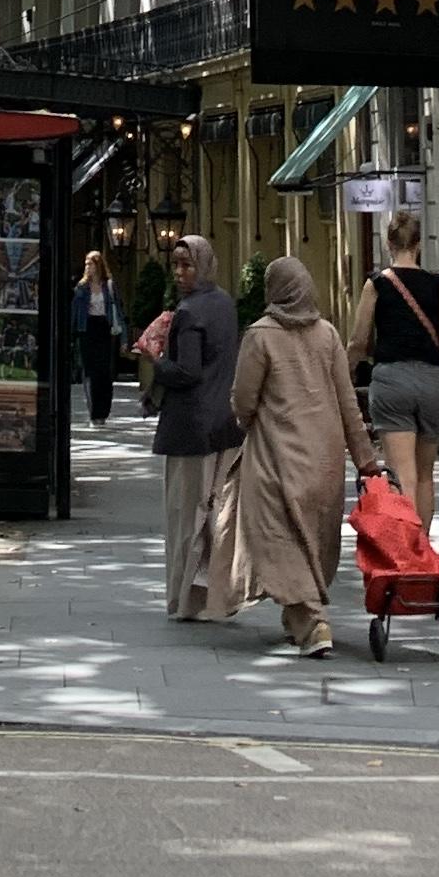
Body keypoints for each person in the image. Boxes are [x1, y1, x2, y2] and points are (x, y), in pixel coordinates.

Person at [228, 253, 386, 657]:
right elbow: (348, 403)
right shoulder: (327, 334)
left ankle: (313, 623)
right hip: (325, 460)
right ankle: (297, 619)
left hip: (277, 457)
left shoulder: (260, 336)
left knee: (278, 536)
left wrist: (245, 420)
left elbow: (244, 400)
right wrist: (366, 460)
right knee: (313, 539)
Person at [344, 209, 439, 531]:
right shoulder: (437, 286)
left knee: (401, 474)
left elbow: (358, 341)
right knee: (425, 476)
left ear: (388, 244)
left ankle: (407, 550)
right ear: (418, 245)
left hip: (392, 381)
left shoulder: (376, 285)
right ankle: (423, 546)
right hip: (433, 381)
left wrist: (346, 377)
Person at [154, 232, 244, 623]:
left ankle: (184, 599)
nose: (179, 273)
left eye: (186, 265)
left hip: (190, 426)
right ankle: (217, 597)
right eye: (175, 265)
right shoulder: (225, 303)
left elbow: (187, 371)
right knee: (217, 516)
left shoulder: (189, 312)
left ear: (201, 266)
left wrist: (155, 360)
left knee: (186, 516)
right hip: (224, 423)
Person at [70, 246, 121, 428]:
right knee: (90, 373)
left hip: (105, 329)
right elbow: (75, 312)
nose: (87, 267)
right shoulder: (81, 287)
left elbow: (118, 310)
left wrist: (123, 338)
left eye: (90, 264)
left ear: (98, 266)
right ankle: (94, 413)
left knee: (104, 373)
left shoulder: (109, 286)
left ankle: (103, 412)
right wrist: (72, 333)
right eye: (86, 264)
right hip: (87, 328)